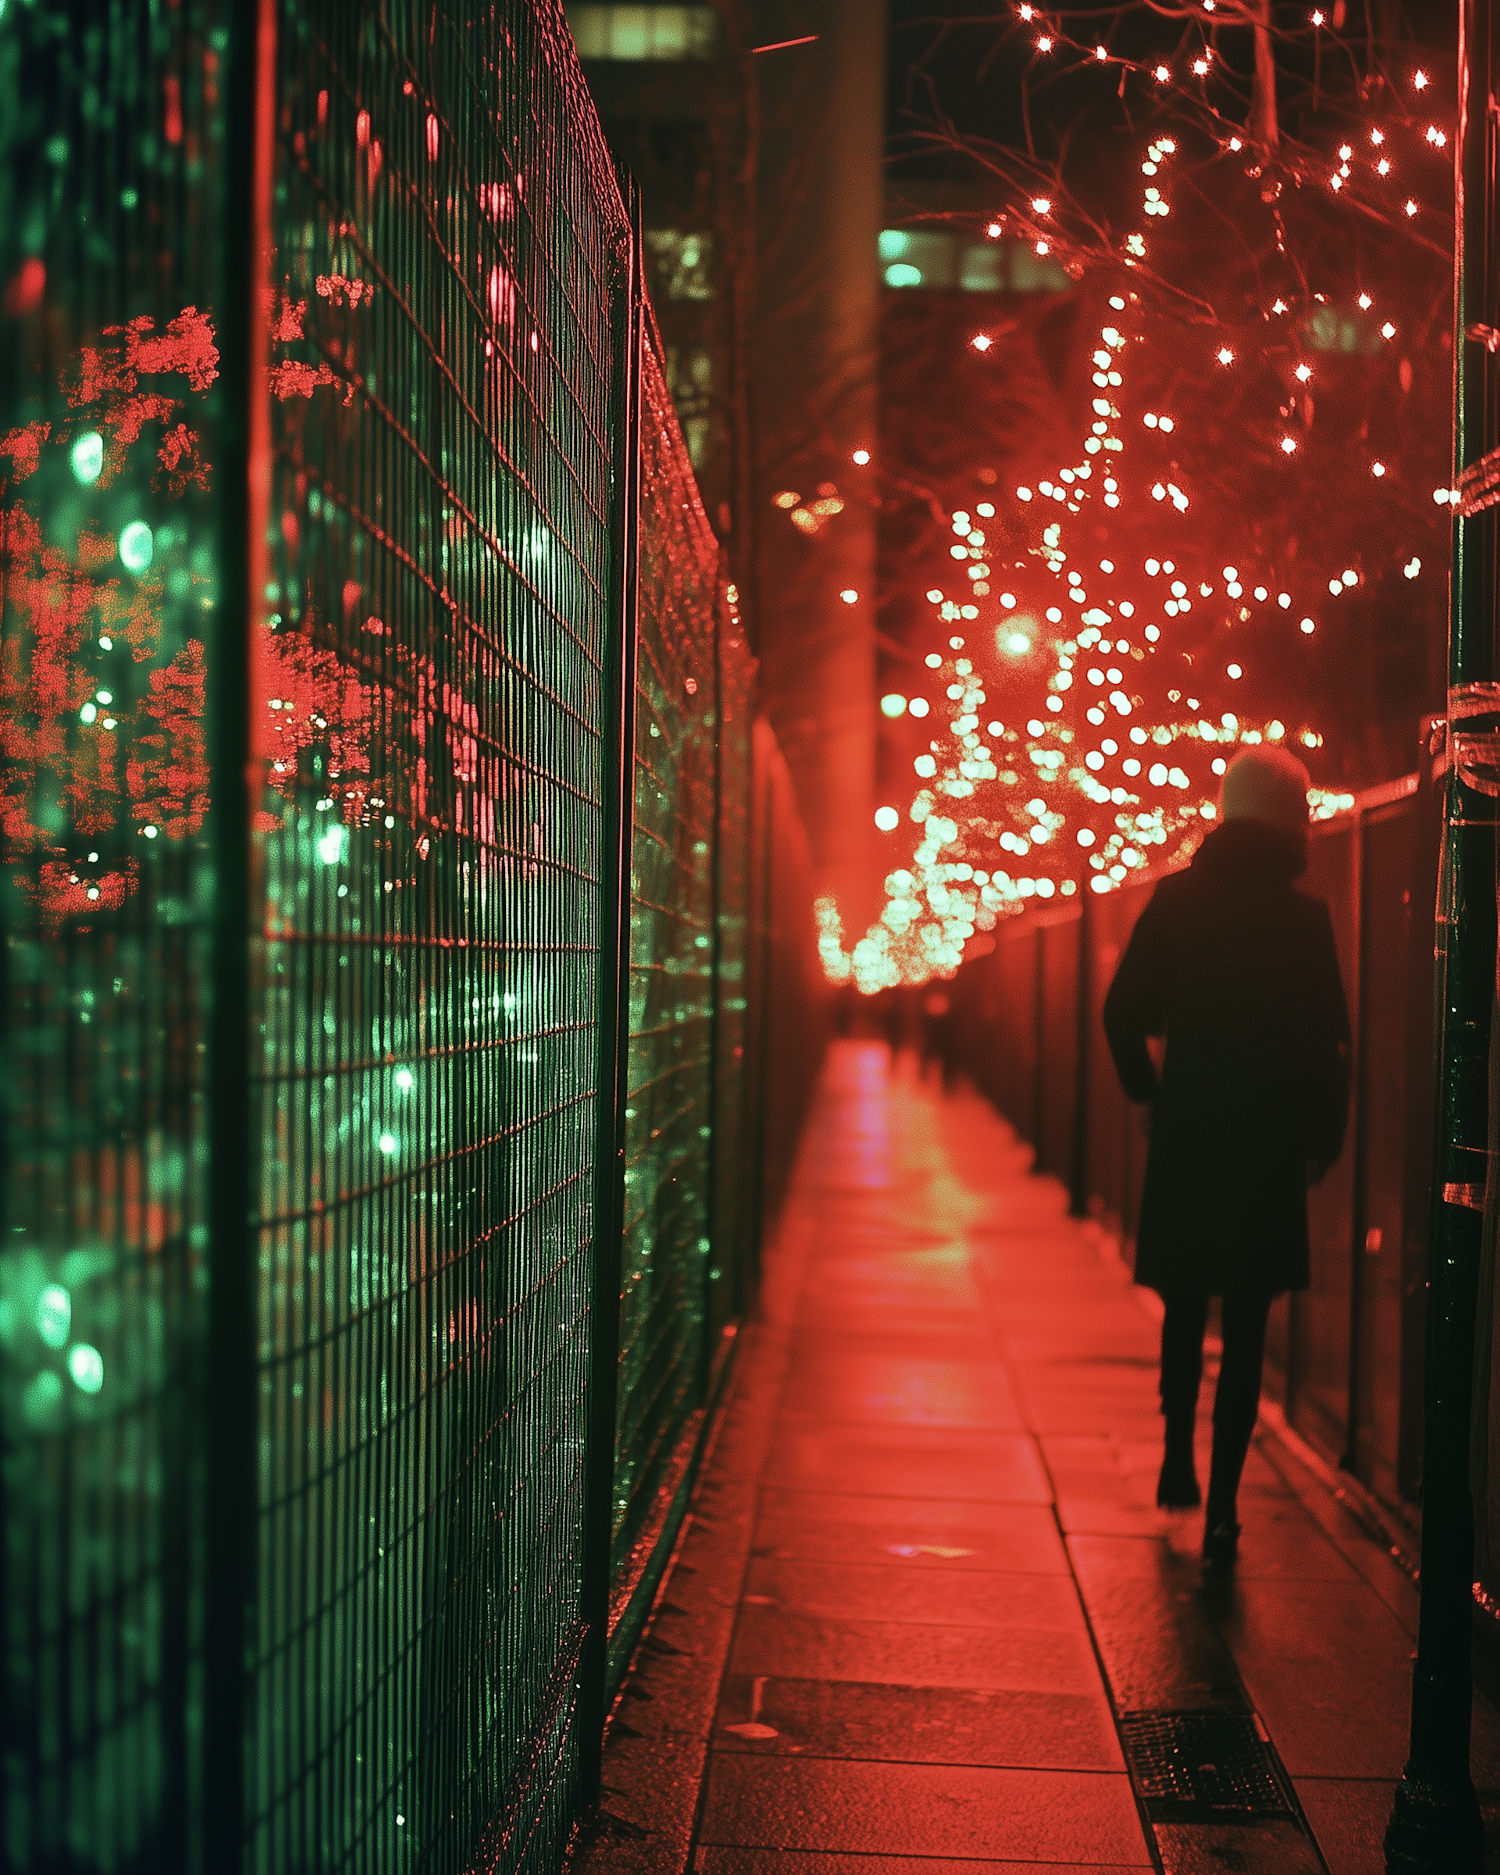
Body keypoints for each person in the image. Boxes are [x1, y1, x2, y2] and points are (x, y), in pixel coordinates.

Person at [1102, 745, 1350, 1566]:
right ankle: (1228, 1503)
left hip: (1191, 1132)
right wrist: (1322, 1137)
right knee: (1247, 1319)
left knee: (1184, 1301)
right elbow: (1330, 1044)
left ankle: (1176, 1453)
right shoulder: (1304, 919)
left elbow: (1121, 1011)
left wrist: (1147, 1094)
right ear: (1291, 821)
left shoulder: (1176, 902)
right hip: (1267, 1140)